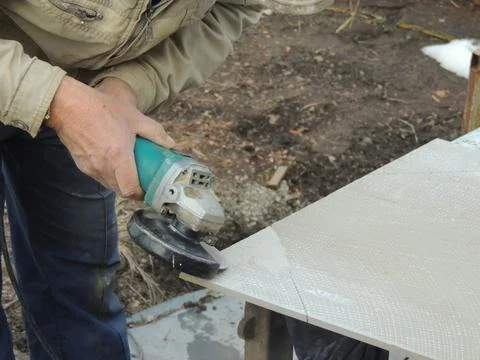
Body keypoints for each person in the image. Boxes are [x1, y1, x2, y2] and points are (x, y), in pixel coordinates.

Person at [0, 1, 383, 359]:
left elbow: (231, 9)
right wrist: (58, 101)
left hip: (81, 89)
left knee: (80, 280)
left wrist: (122, 88)